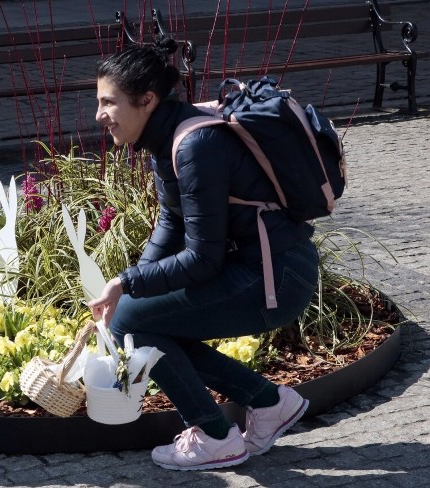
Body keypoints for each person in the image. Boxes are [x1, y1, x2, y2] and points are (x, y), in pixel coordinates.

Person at [89, 37, 319, 471]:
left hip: (275, 277)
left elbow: (202, 259)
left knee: (133, 324)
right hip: (259, 268)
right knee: (138, 320)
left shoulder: (194, 146)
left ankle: (215, 437)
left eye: (108, 103)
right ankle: (269, 404)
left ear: (147, 100)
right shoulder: (168, 138)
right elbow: (172, 224)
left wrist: (127, 284)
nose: (99, 115)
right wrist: (133, 280)